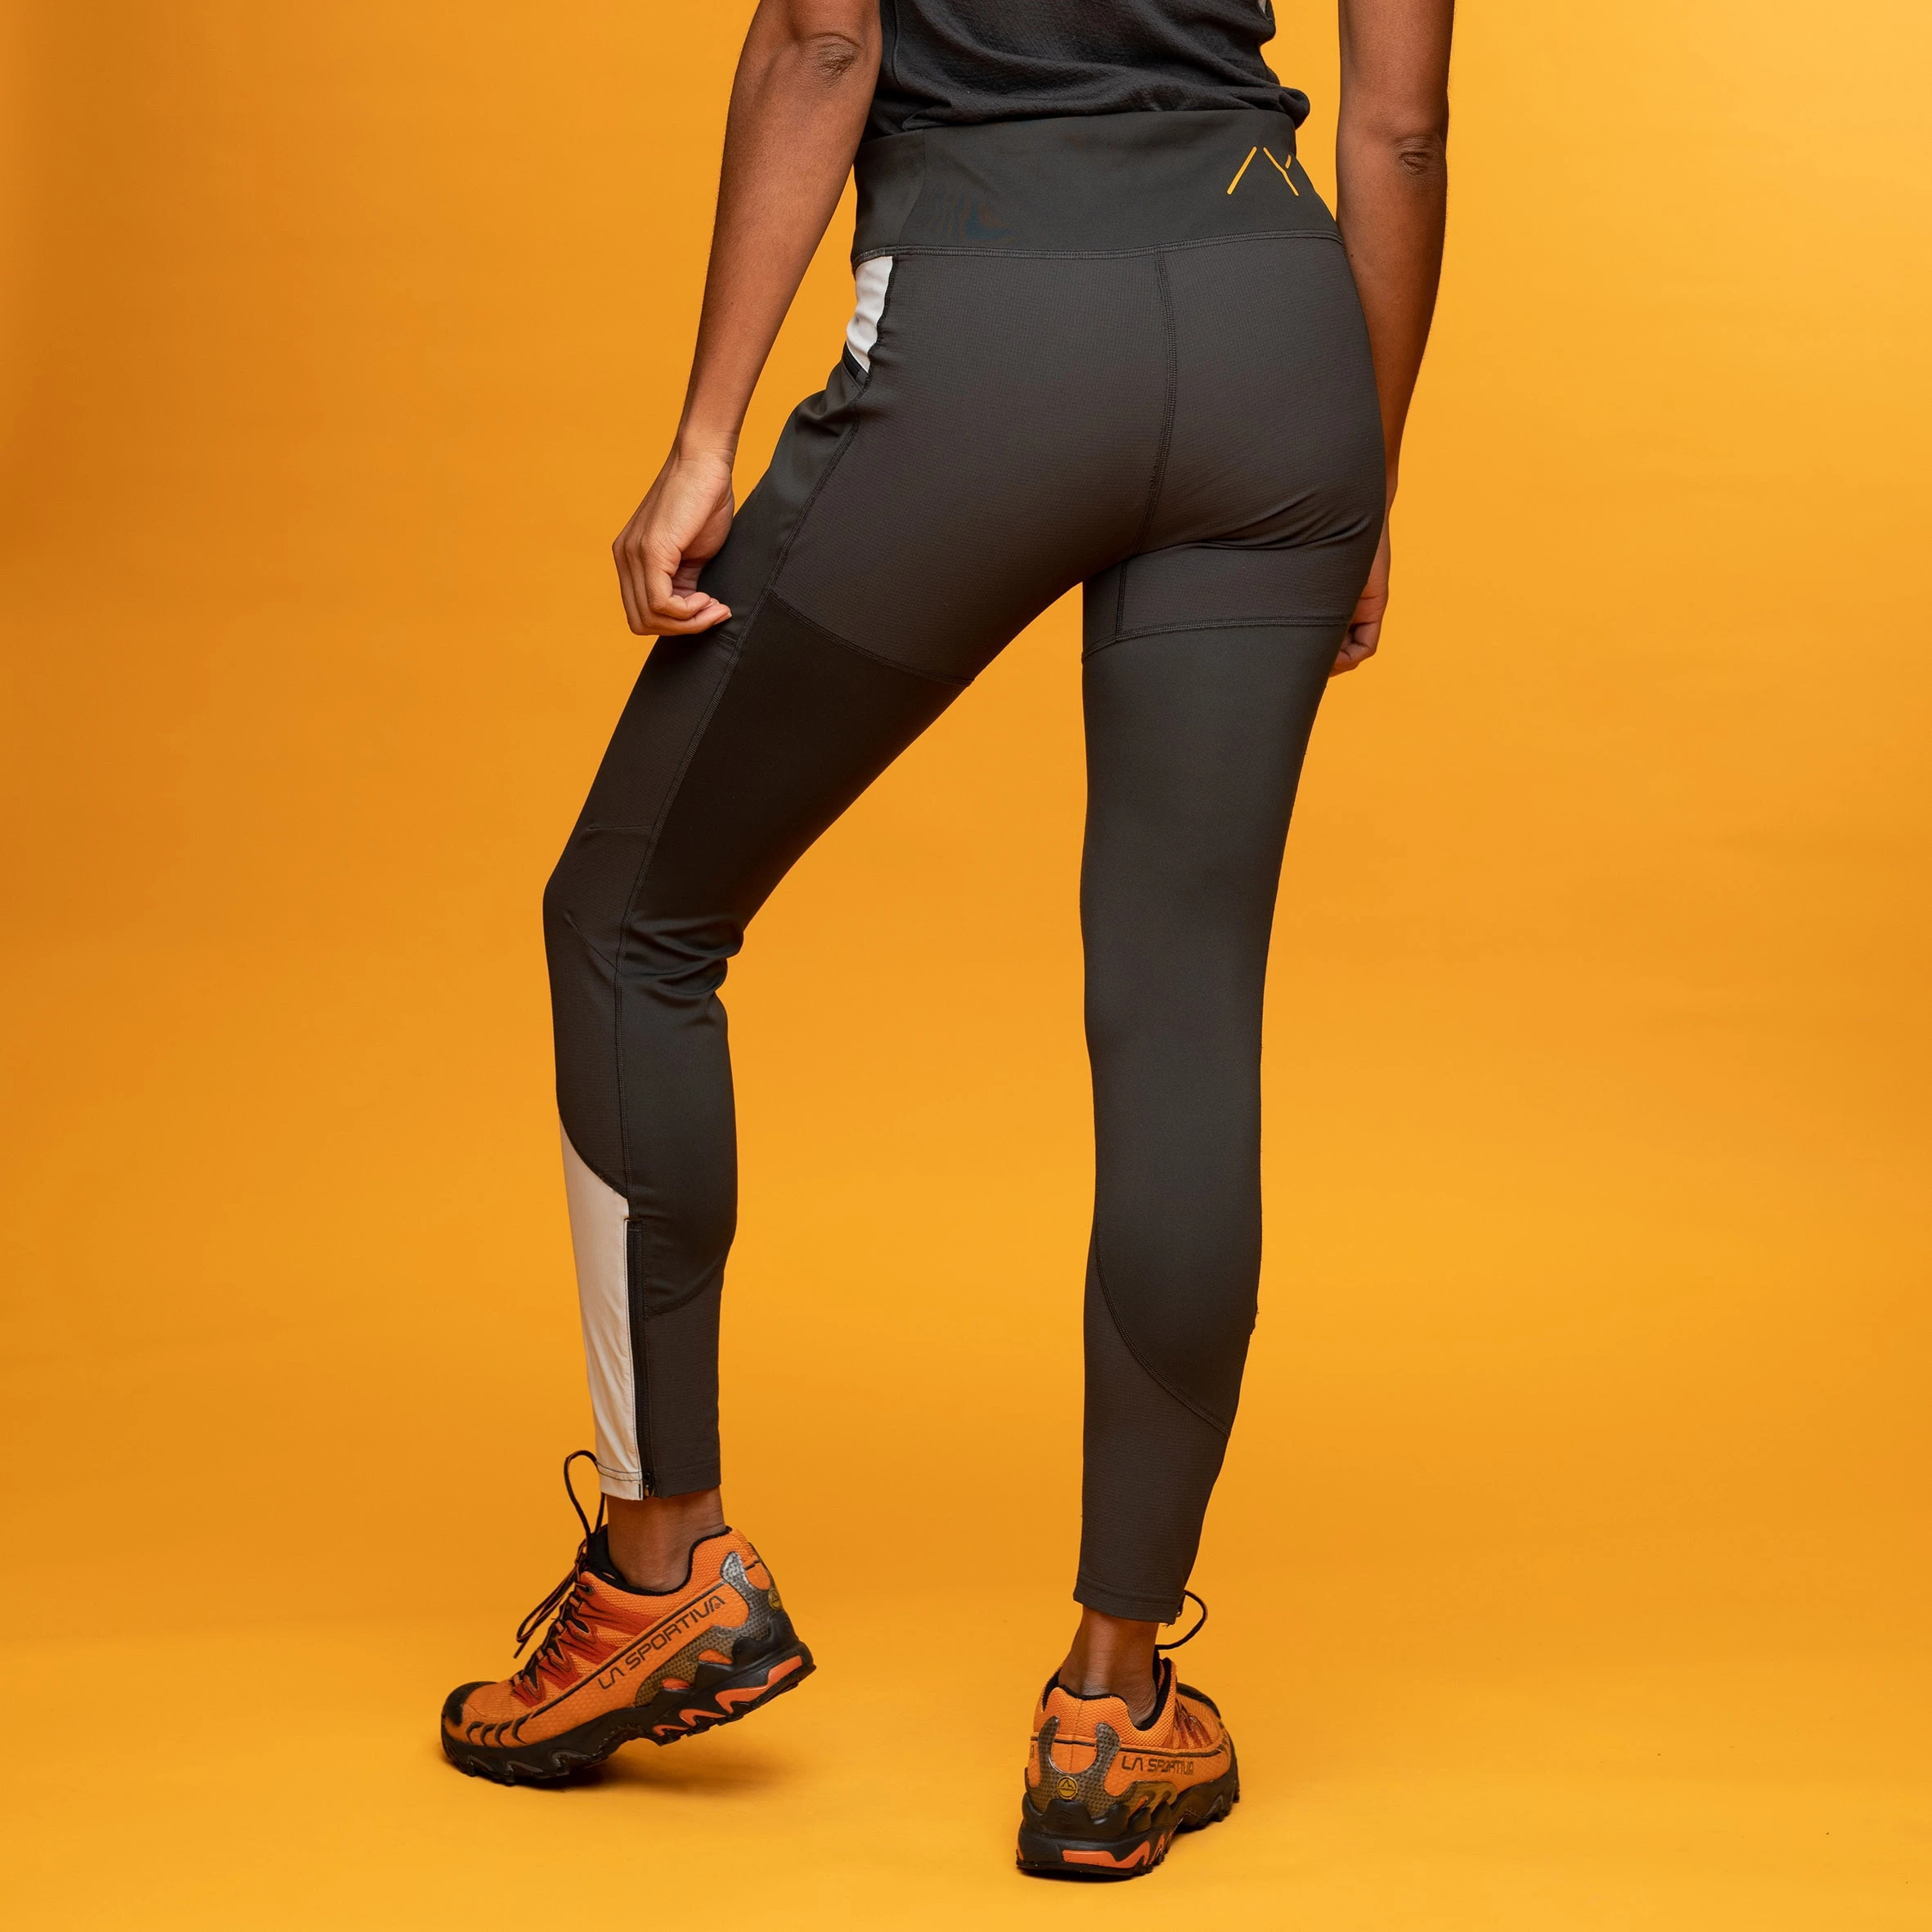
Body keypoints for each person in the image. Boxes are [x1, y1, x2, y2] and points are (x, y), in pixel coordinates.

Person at [441, 0, 1452, 1878]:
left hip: (990, 314)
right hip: (1273, 341)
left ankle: (661, 1569)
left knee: (632, 915)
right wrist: (1359, 472)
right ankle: (1112, 1705)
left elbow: (824, 38)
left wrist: (702, 438)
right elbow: (1396, 130)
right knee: (1181, 1007)